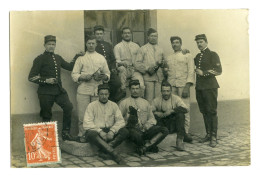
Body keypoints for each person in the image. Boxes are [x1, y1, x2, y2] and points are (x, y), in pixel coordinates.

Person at [28, 35, 82, 141]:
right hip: (45, 92)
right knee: (46, 115)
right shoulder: (39, 59)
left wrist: (77, 56)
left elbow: (70, 67)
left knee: (68, 107)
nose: (51, 46)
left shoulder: (58, 57)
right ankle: (46, 140)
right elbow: (31, 77)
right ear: (44, 45)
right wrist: (45, 80)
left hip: (58, 90)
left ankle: (65, 133)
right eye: (49, 44)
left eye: (53, 44)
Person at [72, 35, 110, 143]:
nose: (91, 45)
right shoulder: (81, 58)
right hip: (83, 89)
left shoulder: (101, 58)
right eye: (89, 43)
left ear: (96, 44)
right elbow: (74, 75)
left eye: (93, 43)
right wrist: (83, 77)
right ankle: (82, 135)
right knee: (83, 115)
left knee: (96, 114)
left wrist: (104, 77)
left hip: (97, 90)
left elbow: (107, 73)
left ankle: (96, 137)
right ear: (86, 44)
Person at [119, 80, 169, 155]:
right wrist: (128, 121)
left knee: (164, 130)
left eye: (137, 88)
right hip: (133, 131)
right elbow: (119, 119)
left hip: (145, 130)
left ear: (140, 89)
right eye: (133, 89)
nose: (135, 91)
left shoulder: (145, 102)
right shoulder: (124, 103)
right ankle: (150, 146)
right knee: (134, 133)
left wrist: (146, 126)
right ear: (129, 90)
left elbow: (152, 119)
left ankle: (145, 147)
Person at [83, 84, 128, 165]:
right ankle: (115, 154)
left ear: (109, 95)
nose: (104, 96)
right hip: (97, 133)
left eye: (106, 94)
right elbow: (87, 122)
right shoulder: (91, 106)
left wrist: (112, 131)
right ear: (98, 94)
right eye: (101, 94)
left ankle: (103, 151)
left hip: (109, 132)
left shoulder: (113, 105)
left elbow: (120, 121)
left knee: (125, 131)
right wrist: (100, 131)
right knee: (90, 134)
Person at [194, 34, 222, 147]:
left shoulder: (213, 54)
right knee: (204, 111)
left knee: (212, 111)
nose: (199, 44)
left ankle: (214, 136)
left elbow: (219, 70)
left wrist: (204, 73)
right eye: (197, 42)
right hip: (200, 88)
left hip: (210, 87)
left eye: (201, 42)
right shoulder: (197, 56)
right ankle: (208, 134)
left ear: (206, 42)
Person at [165, 36, 195, 143]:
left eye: (177, 42)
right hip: (172, 85)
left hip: (183, 85)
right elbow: (167, 72)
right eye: (173, 43)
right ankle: (177, 131)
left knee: (185, 108)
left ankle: (185, 133)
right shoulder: (169, 57)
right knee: (173, 107)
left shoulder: (187, 55)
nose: (175, 44)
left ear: (181, 43)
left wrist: (187, 86)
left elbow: (191, 71)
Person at [151, 81, 188, 151]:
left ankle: (179, 141)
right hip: (163, 125)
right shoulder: (156, 100)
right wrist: (156, 113)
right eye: (164, 91)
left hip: (173, 125)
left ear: (171, 91)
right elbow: (149, 111)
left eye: (168, 91)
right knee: (154, 117)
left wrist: (172, 111)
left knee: (180, 115)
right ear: (161, 91)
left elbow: (186, 109)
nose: (166, 93)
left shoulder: (176, 98)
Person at [135, 28, 166, 103]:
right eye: (152, 36)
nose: (153, 38)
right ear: (148, 37)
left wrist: (162, 64)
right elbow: (137, 63)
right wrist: (147, 68)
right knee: (149, 100)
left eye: (155, 36)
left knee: (158, 99)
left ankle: (156, 115)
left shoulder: (161, 49)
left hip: (159, 78)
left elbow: (164, 63)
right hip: (148, 78)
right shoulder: (143, 49)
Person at [93, 25, 123, 102]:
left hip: (109, 69)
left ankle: (111, 99)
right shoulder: (93, 45)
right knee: (104, 86)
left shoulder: (108, 45)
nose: (99, 35)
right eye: (97, 34)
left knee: (117, 83)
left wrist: (113, 68)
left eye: (101, 34)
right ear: (94, 35)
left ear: (103, 34)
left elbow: (113, 59)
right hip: (99, 71)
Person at [114, 27, 145, 97]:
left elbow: (140, 59)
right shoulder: (118, 46)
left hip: (134, 69)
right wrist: (122, 63)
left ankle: (140, 101)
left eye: (128, 33)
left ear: (131, 34)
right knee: (122, 69)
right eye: (125, 33)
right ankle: (123, 90)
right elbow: (117, 60)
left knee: (141, 85)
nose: (127, 35)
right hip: (123, 69)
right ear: (122, 35)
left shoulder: (136, 46)